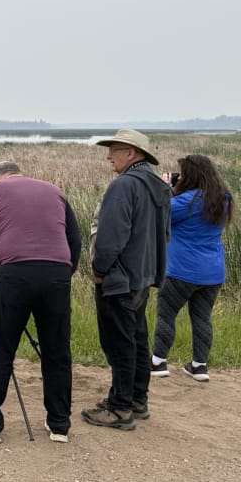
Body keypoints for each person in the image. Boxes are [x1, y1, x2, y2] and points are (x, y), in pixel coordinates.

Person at [0, 160, 82, 444]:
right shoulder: (55, 191)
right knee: (57, 350)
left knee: (1, 348)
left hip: (15, 273)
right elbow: (75, 240)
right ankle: (59, 424)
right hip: (57, 274)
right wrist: (64, 274)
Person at [82, 129, 171, 431]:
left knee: (119, 342)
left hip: (119, 277)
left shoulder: (123, 186)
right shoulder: (157, 186)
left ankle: (120, 408)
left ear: (132, 153)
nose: (108, 156)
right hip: (143, 275)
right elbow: (165, 234)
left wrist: (100, 269)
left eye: (114, 150)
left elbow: (110, 238)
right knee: (136, 337)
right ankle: (137, 399)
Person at [151, 154, 234, 381]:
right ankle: (199, 366)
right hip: (213, 271)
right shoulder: (223, 199)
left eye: (184, 174)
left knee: (167, 315)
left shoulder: (184, 201)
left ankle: (158, 362)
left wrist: (166, 187)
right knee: (202, 318)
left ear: (192, 176)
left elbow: (161, 214)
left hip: (181, 270)